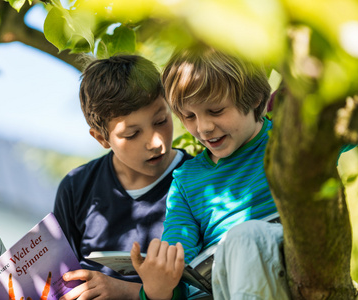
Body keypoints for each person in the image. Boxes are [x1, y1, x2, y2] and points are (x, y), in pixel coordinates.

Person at [131, 46, 291, 300]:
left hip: (286, 275)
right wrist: (157, 287)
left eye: (216, 110)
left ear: (254, 99)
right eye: (189, 116)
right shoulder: (186, 180)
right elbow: (177, 257)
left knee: (245, 237)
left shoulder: (289, 140)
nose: (203, 127)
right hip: (215, 291)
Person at [53, 54, 192, 300]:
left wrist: (125, 291)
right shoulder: (76, 188)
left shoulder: (200, 181)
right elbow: (62, 278)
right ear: (101, 138)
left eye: (161, 120)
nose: (156, 142)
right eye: (132, 134)